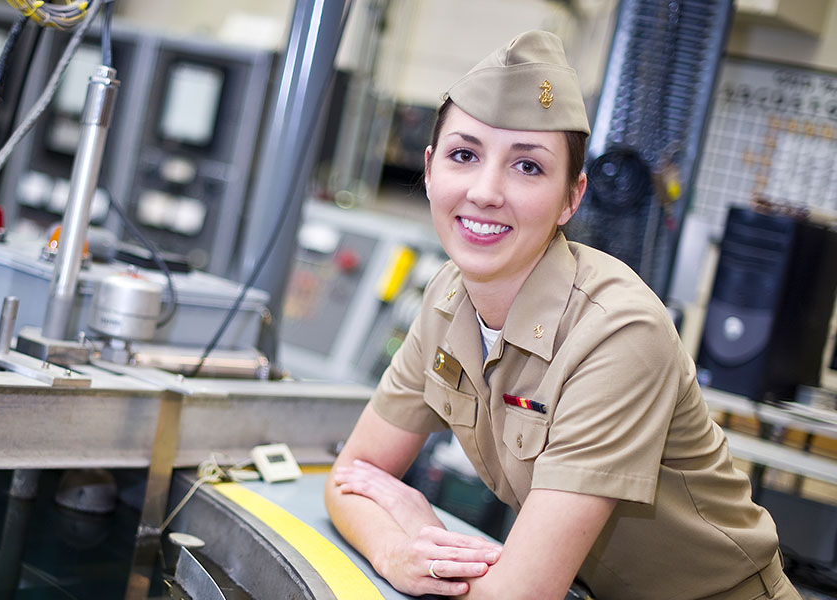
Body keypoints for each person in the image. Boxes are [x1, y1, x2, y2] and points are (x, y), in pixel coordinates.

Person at [324, 30, 801, 600]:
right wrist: (401, 549)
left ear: (572, 198)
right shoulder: (447, 299)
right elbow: (352, 479)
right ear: (429, 170)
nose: (484, 191)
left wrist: (420, 534)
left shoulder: (619, 334)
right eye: (463, 155)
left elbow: (520, 595)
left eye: (527, 167)